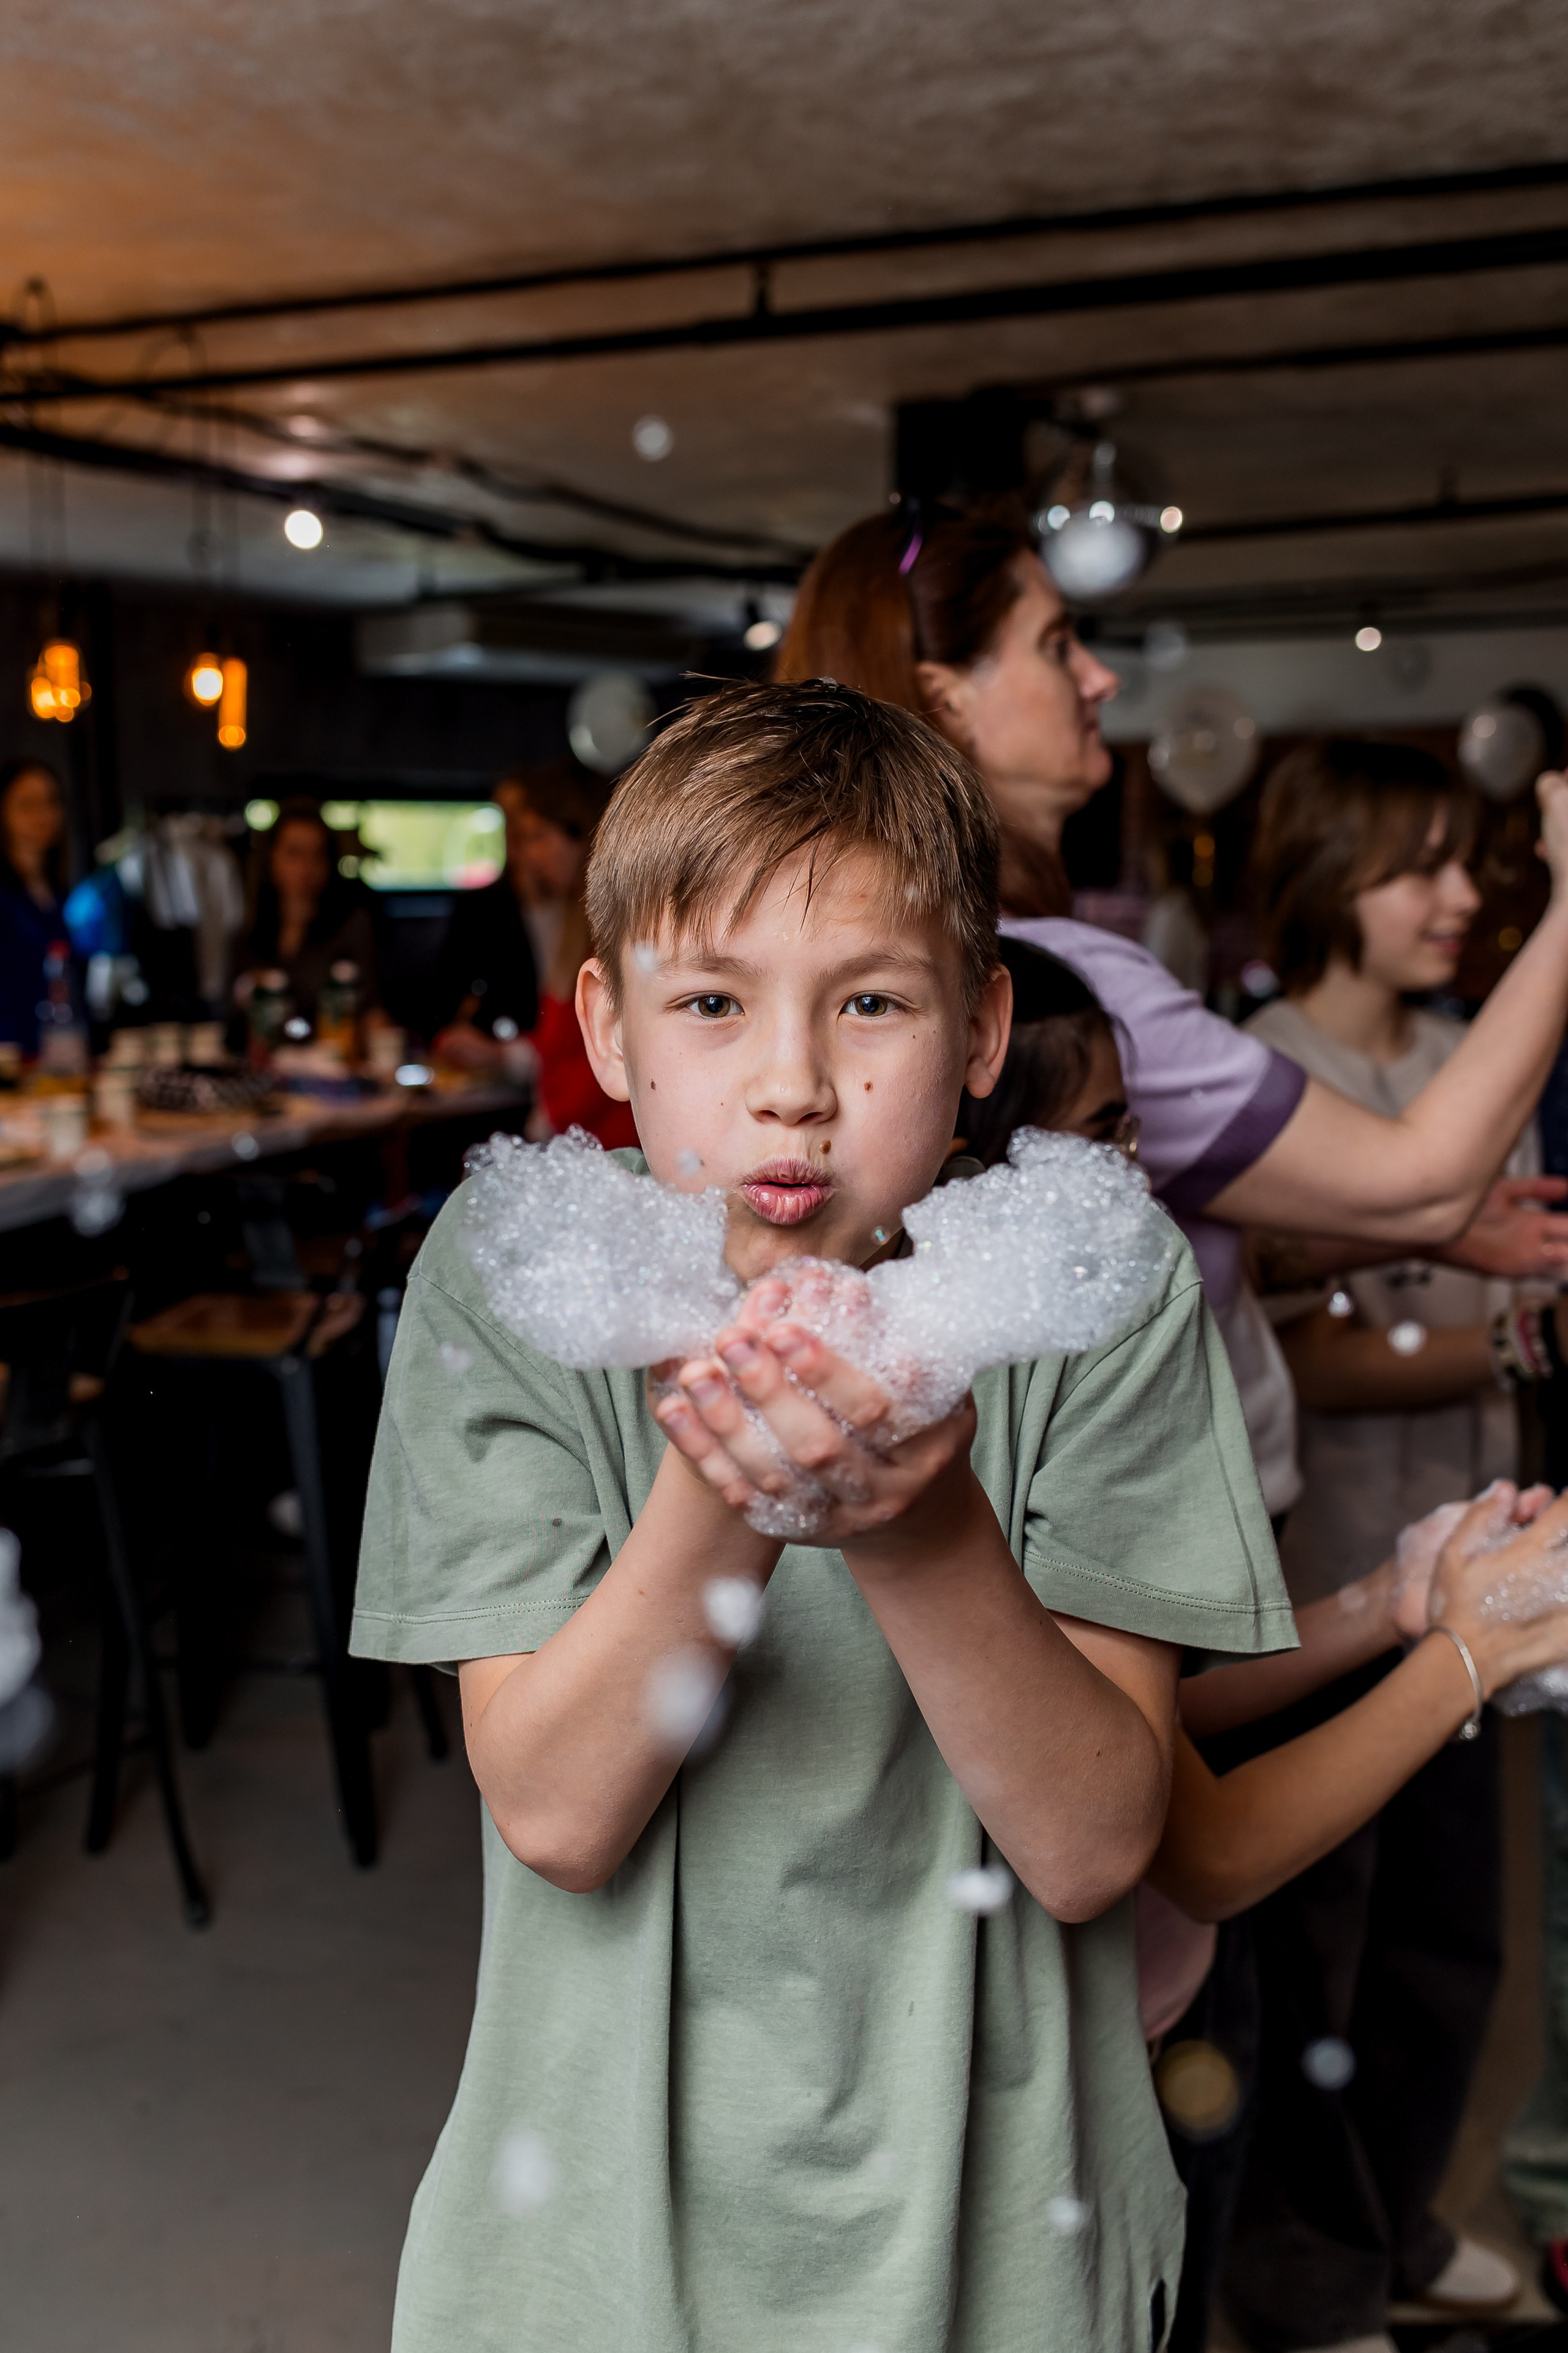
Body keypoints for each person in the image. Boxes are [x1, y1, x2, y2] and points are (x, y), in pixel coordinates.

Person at [349, 681, 1293, 2353]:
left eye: (870, 1003)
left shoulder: (1094, 1286)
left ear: (985, 1030)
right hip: (590, 2247)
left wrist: (919, 1534)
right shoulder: (512, 1285)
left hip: (1005, 2239)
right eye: (712, 1001)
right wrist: (729, 1494)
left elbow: (1089, 1850)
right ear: (613, 1028)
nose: (790, 1085)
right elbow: (560, 1811)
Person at [968, 934, 1568, 2349]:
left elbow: (1155, 1711)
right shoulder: (1008, 1421)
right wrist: (1463, 1655)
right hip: (1071, 2049)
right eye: (1100, 1135)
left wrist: (1390, 1603)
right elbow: (1203, 1841)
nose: (1142, 1179)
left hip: (1148, 2003)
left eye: (1136, 1127)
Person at [775, 507, 1568, 1518]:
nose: (1102, 680)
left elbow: (1123, 1230)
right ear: (948, 697)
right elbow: (1426, 1181)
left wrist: (1381, 1239)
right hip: (1146, 1509)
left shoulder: (906, 956)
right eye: (1059, 646)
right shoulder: (1063, 974)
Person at [432, 759, 634, 1146]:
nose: (528, 856)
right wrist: (500, 1056)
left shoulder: (615, 931)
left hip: (608, 1151)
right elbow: (560, 1046)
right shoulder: (576, 922)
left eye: (539, 836)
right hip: (576, 1142)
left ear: (581, 833)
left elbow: (606, 1063)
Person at [235, 798, 383, 1028]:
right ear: (272, 858)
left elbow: (373, 1011)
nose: (306, 868)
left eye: (317, 855)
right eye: (294, 854)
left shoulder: (352, 925)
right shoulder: (250, 927)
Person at [0, 757, 69, 1055]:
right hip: (12, 1050)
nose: (43, 815)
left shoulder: (55, 891)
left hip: (58, 1045)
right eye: (27, 805)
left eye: (50, 803)